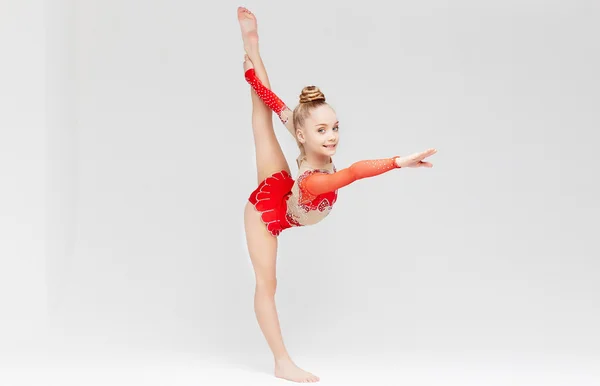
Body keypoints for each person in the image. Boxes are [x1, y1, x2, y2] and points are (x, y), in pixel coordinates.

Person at [237, 6, 437, 383]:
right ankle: (282, 362)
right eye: (322, 131)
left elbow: (274, 98)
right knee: (268, 284)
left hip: (282, 186)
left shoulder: (299, 126)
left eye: (335, 128)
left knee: (266, 110)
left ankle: (252, 46)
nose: (331, 137)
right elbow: (355, 172)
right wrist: (398, 161)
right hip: (269, 213)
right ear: (302, 135)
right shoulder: (314, 180)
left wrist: (252, 71)